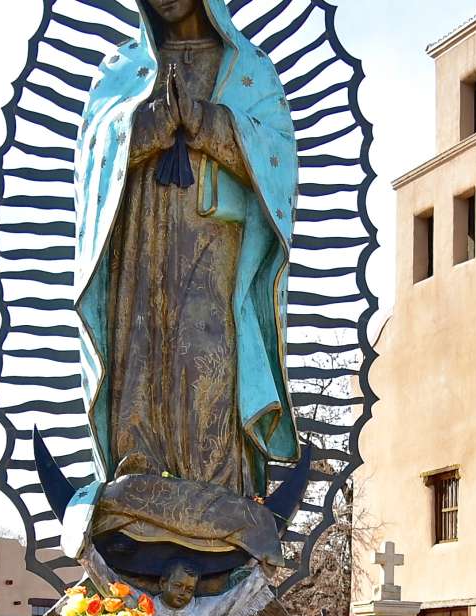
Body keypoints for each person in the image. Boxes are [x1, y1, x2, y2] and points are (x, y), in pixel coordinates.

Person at [61, 0, 300, 568]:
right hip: (140, 250)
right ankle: (135, 485)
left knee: (208, 362)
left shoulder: (249, 70)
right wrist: (141, 129)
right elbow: (91, 153)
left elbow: (280, 155)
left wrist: (212, 123)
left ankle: (215, 496)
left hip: (215, 249)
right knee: (141, 358)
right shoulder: (125, 67)